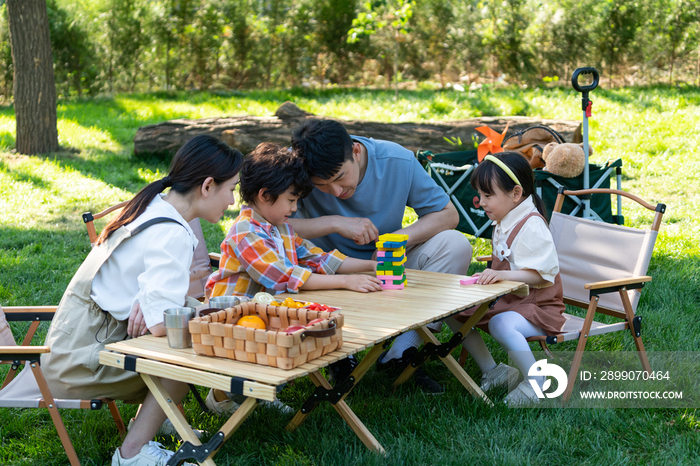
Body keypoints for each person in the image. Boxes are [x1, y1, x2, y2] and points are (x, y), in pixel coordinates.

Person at [40, 135, 244, 466]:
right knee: (187, 354)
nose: (232, 200)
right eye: (231, 188)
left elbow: (152, 301)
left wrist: (148, 303)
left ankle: (154, 421)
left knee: (188, 322)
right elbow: (163, 325)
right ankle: (131, 453)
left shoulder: (152, 205)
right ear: (208, 186)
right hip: (78, 364)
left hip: (67, 347)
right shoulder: (175, 233)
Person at [289, 119, 473, 393]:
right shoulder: (294, 168)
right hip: (324, 273)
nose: (337, 192)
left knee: (456, 245)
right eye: (322, 186)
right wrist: (335, 222)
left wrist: (398, 239)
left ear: (355, 152)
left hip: (386, 266)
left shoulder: (397, 159)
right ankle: (341, 355)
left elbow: (448, 214)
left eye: (340, 178)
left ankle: (402, 351)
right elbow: (264, 226)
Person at [447, 152, 565, 406]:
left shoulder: (531, 225)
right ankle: (494, 370)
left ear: (515, 193)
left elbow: (541, 274)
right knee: (451, 312)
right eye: (481, 194)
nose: (481, 202)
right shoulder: (505, 219)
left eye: (488, 195)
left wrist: (501, 274)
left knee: (501, 324)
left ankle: (537, 382)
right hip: (509, 301)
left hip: (538, 307)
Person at [206, 142, 381, 299]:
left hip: (262, 313)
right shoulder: (245, 233)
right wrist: (346, 281)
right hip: (229, 316)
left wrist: (372, 265)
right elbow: (286, 276)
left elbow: (320, 259)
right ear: (265, 195)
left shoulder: (279, 229)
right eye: (291, 200)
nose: (295, 208)